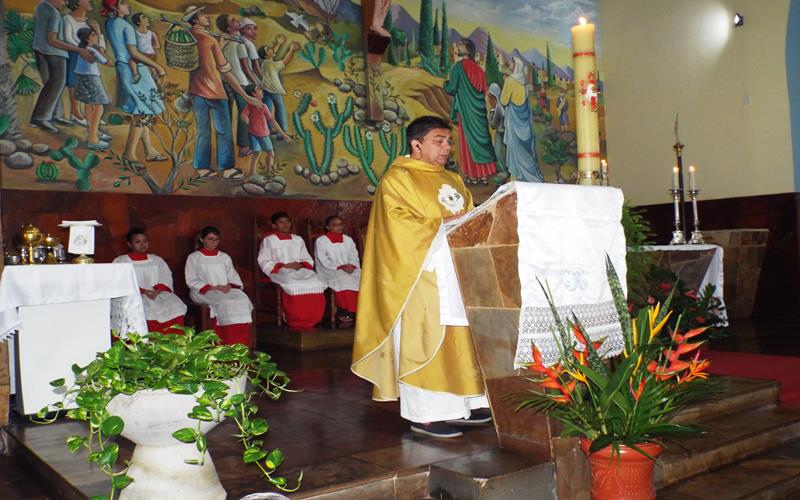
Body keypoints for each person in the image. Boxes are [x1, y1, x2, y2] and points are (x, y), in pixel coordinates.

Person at [352, 116, 491, 439]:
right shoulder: (397, 179)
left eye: (448, 141)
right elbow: (397, 225)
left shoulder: (454, 180)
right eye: (438, 141)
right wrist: (443, 223)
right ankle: (426, 414)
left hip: (456, 271)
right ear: (417, 144)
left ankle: (464, 405)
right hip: (420, 274)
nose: (446, 147)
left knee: (460, 339)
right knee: (426, 340)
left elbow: (467, 217)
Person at [183, 5, 260, 180]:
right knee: (223, 131)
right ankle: (226, 169)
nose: (207, 17)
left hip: (196, 92)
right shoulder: (210, 40)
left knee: (203, 131)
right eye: (202, 15)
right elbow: (226, 71)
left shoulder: (189, 37)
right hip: (216, 93)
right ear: (195, 19)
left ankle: (202, 168)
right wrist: (246, 95)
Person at [102, 0, 167, 163]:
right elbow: (133, 53)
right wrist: (157, 66)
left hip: (123, 68)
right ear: (116, 8)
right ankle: (129, 154)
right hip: (135, 69)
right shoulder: (126, 26)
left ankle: (149, 150)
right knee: (142, 111)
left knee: (141, 110)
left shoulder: (110, 23)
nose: (128, 5)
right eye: (123, 3)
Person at [31, 0, 96, 134]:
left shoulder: (41, 7)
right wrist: (78, 50)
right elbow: (52, 40)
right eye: (63, 0)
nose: (65, 3)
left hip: (39, 49)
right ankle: (41, 118)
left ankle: (55, 115)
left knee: (51, 85)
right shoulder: (54, 14)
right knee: (57, 83)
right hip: (55, 53)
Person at [257, 212, 326, 330]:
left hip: (299, 268)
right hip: (280, 270)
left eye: (287, 222)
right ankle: (294, 317)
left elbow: (306, 258)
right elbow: (263, 260)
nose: (285, 225)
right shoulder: (269, 240)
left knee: (316, 280)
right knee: (292, 282)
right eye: (281, 222)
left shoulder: (298, 239)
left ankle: (313, 317)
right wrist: (283, 266)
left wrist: (301, 264)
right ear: (274, 225)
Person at [185, 226, 253, 345]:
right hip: (202, 291)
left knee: (242, 299)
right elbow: (191, 280)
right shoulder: (194, 257)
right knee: (225, 302)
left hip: (224, 289)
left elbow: (233, 276)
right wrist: (212, 287)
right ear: (202, 239)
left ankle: (241, 342)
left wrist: (229, 286)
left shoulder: (224, 257)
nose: (214, 242)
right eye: (210, 239)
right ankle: (226, 341)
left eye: (216, 239)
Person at [113, 228, 187, 334]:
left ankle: (175, 343)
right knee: (143, 310)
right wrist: (144, 291)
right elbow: (120, 281)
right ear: (129, 244)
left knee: (176, 306)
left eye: (145, 241)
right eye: (138, 242)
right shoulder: (122, 261)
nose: (142, 244)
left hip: (158, 293)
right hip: (135, 295)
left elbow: (165, 277)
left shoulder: (156, 260)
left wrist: (157, 291)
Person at [443, 39, 496, 185]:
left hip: (466, 110)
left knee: (467, 142)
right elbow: (483, 90)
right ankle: (484, 176)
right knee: (481, 140)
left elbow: (451, 89)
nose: (457, 48)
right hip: (479, 111)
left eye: (460, 46)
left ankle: (473, 176)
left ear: (467, 50)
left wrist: (445, 82)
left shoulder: (457, 67)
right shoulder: (479, 70)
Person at [217, 14, 259, 158]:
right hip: (240, 82)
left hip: (224, 82)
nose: (238, 21)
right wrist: (257, 83)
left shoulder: (221, 42)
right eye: (234, 21)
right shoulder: (239, 43)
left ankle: (226, 149)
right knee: (244, 114)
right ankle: (244, 147)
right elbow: (246, 68)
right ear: (229, 28)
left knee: (226, 115)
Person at [500, 57, 544, 182]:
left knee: (515, 149)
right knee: (525, 151)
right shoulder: (523, 81)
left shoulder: (510, 81)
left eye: (512, 62)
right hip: (524, 122)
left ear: (516, 65)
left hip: (514, 121)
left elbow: (503, 101)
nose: (511, 64)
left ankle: (516, 177)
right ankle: (530, 175)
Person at [63, 0, 106, 127]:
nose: (90, 1)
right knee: (73, 82)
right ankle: (76, 112)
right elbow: (68, 38)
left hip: (89, 57)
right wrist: (83, 49)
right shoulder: (68, 19)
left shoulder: (90, 22)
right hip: (75, 54)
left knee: (89, 84)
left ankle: (90, 115)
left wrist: (98, 32)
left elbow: (101, 47)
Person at [314, 215, 360, 323]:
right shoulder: (321, 241)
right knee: (344, 279)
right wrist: (340, 267)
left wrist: (351, 265)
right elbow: (323, 259)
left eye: (340, 224)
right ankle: (343, 311)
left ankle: (361, 310)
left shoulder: (348, 240)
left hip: (349, 268)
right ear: (328, 227)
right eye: (335, 225)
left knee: (363, 277)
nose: (339, 227)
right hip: (329, 270)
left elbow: (353, 255)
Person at [74, 27, 112, 151]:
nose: (96, 36)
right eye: (94, 35)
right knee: (98, 107)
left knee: (90, 107)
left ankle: (94, 133)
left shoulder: (84, 49)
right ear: (88, 39)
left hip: (81, 77)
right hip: (91, 78)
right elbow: (107, 62)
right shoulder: (91, 50)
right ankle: (93, 139)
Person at [241, 84, 291, 176]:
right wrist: (250, 124)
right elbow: (243, 116)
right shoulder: (250, 106)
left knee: (270, 153)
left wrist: (283, 134)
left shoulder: (264, 107)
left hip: (264, 134)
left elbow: (272, 121)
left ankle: (268, 171)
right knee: (256, 152)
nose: (262, 91)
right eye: (259, 90)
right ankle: (252, 172)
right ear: (253, 94)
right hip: (254, 134)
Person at [256, 38, 300, 134]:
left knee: (267, 109)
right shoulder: (270, 64)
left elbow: (273, 52)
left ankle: (267, 129)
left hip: (265, 90)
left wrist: (279, 44)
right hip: (274, 90)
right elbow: (284, 61)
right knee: (280, 108)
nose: (272, 49)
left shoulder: (265, 63)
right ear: (266, 55)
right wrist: (291, 50)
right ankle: (283, 131)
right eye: (268, 49)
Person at [130, 12, 159, 83]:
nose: (147, 18)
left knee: (132, 61)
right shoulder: (135, 32)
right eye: (144, 18)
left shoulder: (135, 33)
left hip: (143, 54)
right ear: (138, 22)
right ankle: (154, 73)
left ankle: (135, 74)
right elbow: (156, 45)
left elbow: (156, 45)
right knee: (150, 63)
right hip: (149, 54)